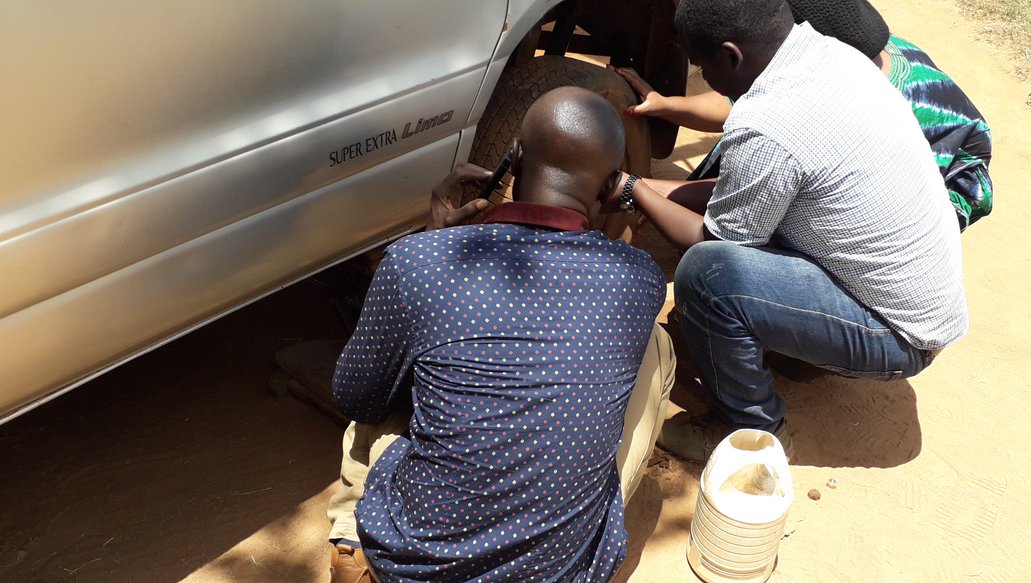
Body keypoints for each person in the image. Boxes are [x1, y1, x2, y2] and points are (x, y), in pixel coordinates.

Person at [325, 87, 675, 583]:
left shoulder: (417, 263)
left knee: (397, 356)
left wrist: (434, 243)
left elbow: (357, 398)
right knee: (656, 345)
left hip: (413, 566)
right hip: (559, 573)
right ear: (609, 188)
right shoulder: (638, 279)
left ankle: (350, 544)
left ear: (515, 158)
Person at [602, 0, 968, 462]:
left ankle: (752, 428)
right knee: (750, 238)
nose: (704, 77)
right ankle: (791, 349)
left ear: (731, 56)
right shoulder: (831, 56)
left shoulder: (768, 124)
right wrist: (652, 189)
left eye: (702, 66)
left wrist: (632, 189)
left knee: (706, 274)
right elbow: (758, 185)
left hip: (896, 336)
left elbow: (712, 243)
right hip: (920, 304)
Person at [612, 0, 993, 230]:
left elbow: (759, 191)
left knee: (738, 244)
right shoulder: (863, 51)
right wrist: (666, 105)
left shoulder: (837, 111)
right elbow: (736, 102)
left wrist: (639, 189)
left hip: (928, 201)